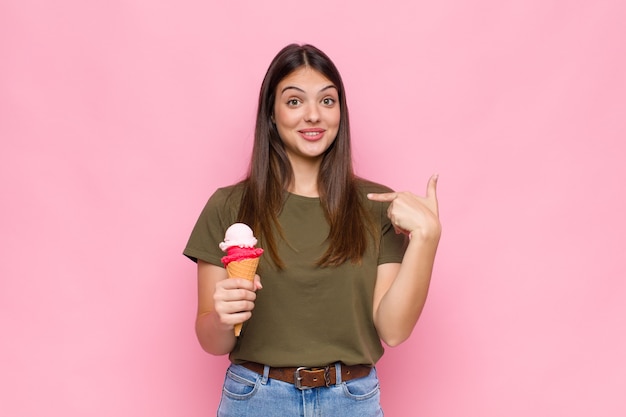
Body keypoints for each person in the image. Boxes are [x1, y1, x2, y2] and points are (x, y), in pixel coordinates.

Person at [183, 43, 441, 417]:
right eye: (293, 101)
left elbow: (394, 329)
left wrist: (427, 239)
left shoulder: (376, 204)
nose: (313, 116)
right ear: (271, 114)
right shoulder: (228, 205)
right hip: (256, 400)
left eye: (327, 101)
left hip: (351, 400)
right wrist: (223, 318)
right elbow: (211, 340)